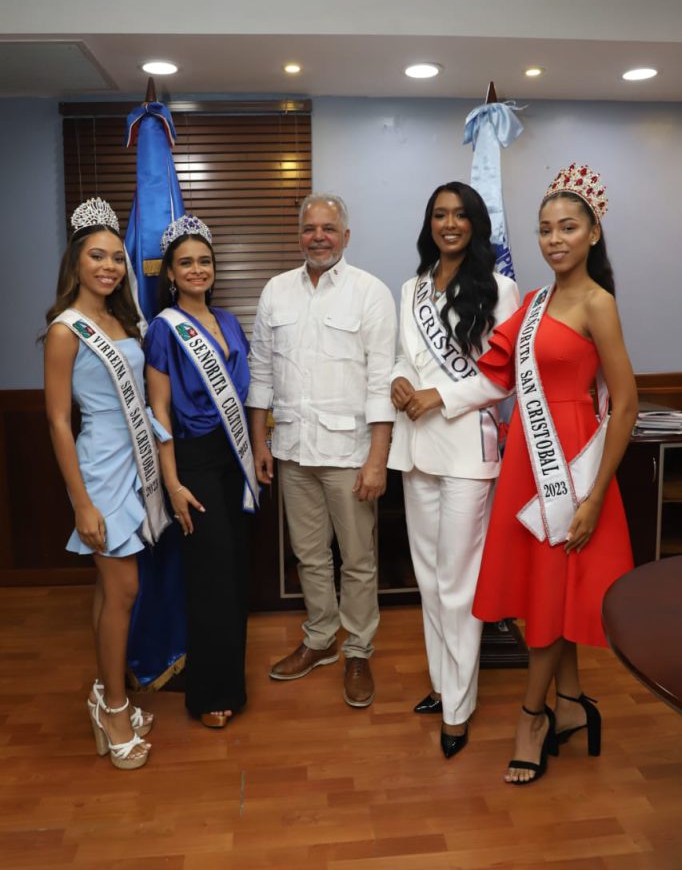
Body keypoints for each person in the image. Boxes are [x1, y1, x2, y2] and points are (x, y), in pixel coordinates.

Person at [440, 163, 638, 784]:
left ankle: (533, 716)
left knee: (556, 590)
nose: (555, 239)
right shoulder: (533, 302)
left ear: (593, 234)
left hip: (573, 464)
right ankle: (572, 704)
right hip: (529, 456)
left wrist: (596, 497)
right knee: (548, 591)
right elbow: (495, 372)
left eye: (568, 227)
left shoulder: (597, 304)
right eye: (546, 229)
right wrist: (426, 390)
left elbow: (627, 403)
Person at [247, 194, 397, 708]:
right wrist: (259, 443)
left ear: (346, 236)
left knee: (357, 559)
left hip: (350, 455)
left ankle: (357, 650)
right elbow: (261, 372)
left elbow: (382, 382)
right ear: (299, 235)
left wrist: (377, 458)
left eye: (329, 228)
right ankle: (320, 640)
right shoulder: (275, 291)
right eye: (309, 228)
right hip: (292, 450)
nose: (318, 236)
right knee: (309, 555)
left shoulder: (370, 293)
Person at [388, 181, 520, 758]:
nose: (449, 224)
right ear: (429, 223)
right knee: (428, 579)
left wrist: (437, 396)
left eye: (460, 215)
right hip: (417, 447)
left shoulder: (501, 288)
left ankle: (459, 710)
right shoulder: (411, 288)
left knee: (457, 585)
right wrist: (398, 379)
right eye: (439, 215)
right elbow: (402, 356)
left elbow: (500, 377)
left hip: (468, 450)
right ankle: (444, 685)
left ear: (475, 224)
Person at [44, 197, 170, 770]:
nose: (109, 267)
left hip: (136, 462)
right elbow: (57, 421)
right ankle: (115, 706)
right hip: (99, 468)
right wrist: (81, 504)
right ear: (77, 260)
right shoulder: (66, 329)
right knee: (122, 591)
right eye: (97, 256)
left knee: (109, 592)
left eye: (117, 258)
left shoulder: (124, 320)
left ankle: (104, 694)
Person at [144, 214, 258, 728]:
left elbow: (249, 392)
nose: (197, 270)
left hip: (234, 459)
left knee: (235, 572)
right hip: (192, 460)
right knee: (210, 575)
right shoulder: (164, 332)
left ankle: (231, 681)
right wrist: (172, 483)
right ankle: (209, 691)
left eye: (204, 261)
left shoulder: (230, 322)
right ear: (169, 272)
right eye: (185, 262)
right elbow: (159, 413)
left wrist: (258, 449)